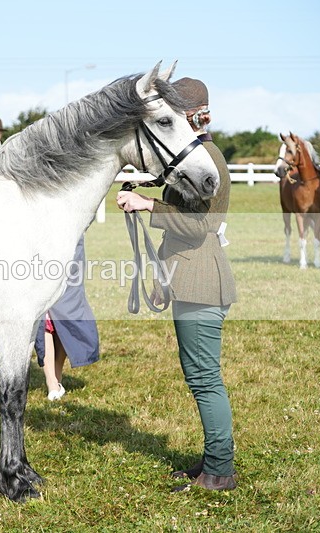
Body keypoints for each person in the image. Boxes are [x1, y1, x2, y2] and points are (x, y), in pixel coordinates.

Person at [115, 77, 238, 491]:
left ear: (190, 115)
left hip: (202, 282)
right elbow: (182, 207)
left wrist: (147, 203)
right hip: (188, 279)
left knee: (204, 378)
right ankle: (212, 460)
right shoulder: (196, 155)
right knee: (201, 375)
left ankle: (219, 471)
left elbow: (204, 224)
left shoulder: (210, 157)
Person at [34, 236, 100, 401]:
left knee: (66, 314)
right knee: (44, 318)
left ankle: (57, 373)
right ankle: (52, 382)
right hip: (38, 242)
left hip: (69, 240)